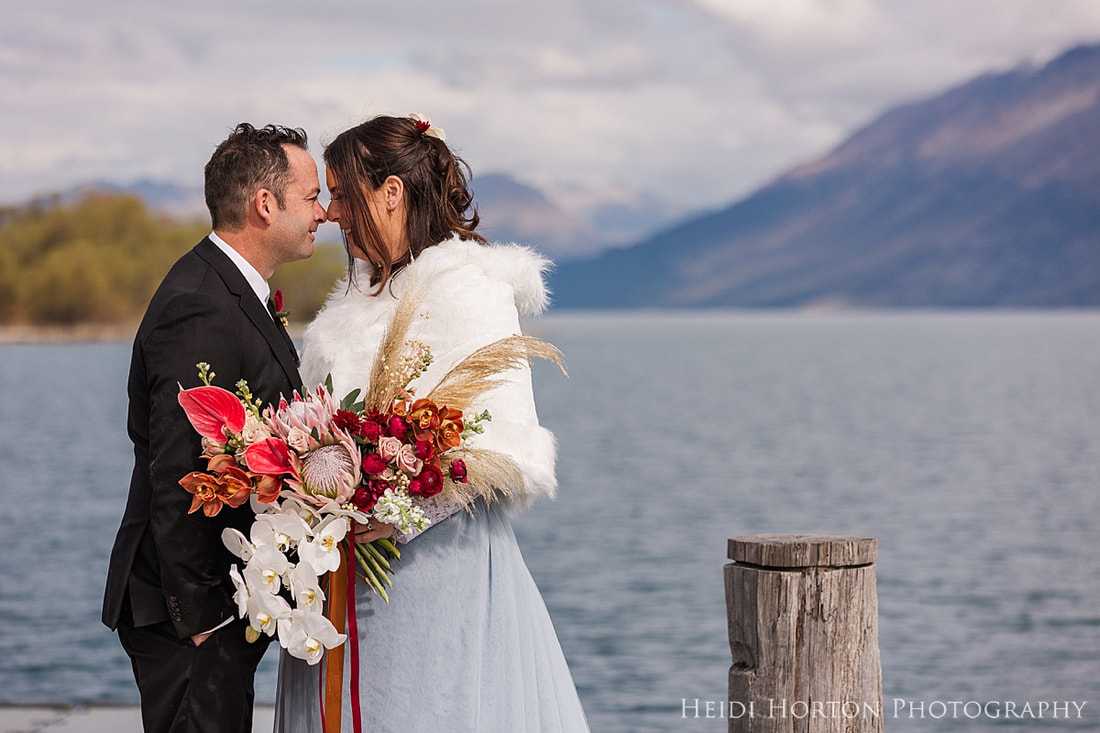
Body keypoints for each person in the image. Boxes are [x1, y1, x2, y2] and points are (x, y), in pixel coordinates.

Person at [273, 113, 589, 732]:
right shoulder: (353, 297)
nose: (332, 213)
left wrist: (388, 510)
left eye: (342, 193)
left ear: (391, 193)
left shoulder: (467, 286)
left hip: (438, 571)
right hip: (341, 572)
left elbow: (497, 443)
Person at [102, 123, 326, 732]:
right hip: (188, 614)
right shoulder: (199, 302)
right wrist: (202, 618)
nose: (323, 213)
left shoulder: (231, 292)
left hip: (215, 604)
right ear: (264, 204)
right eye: (311, 197)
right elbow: (178, 469)